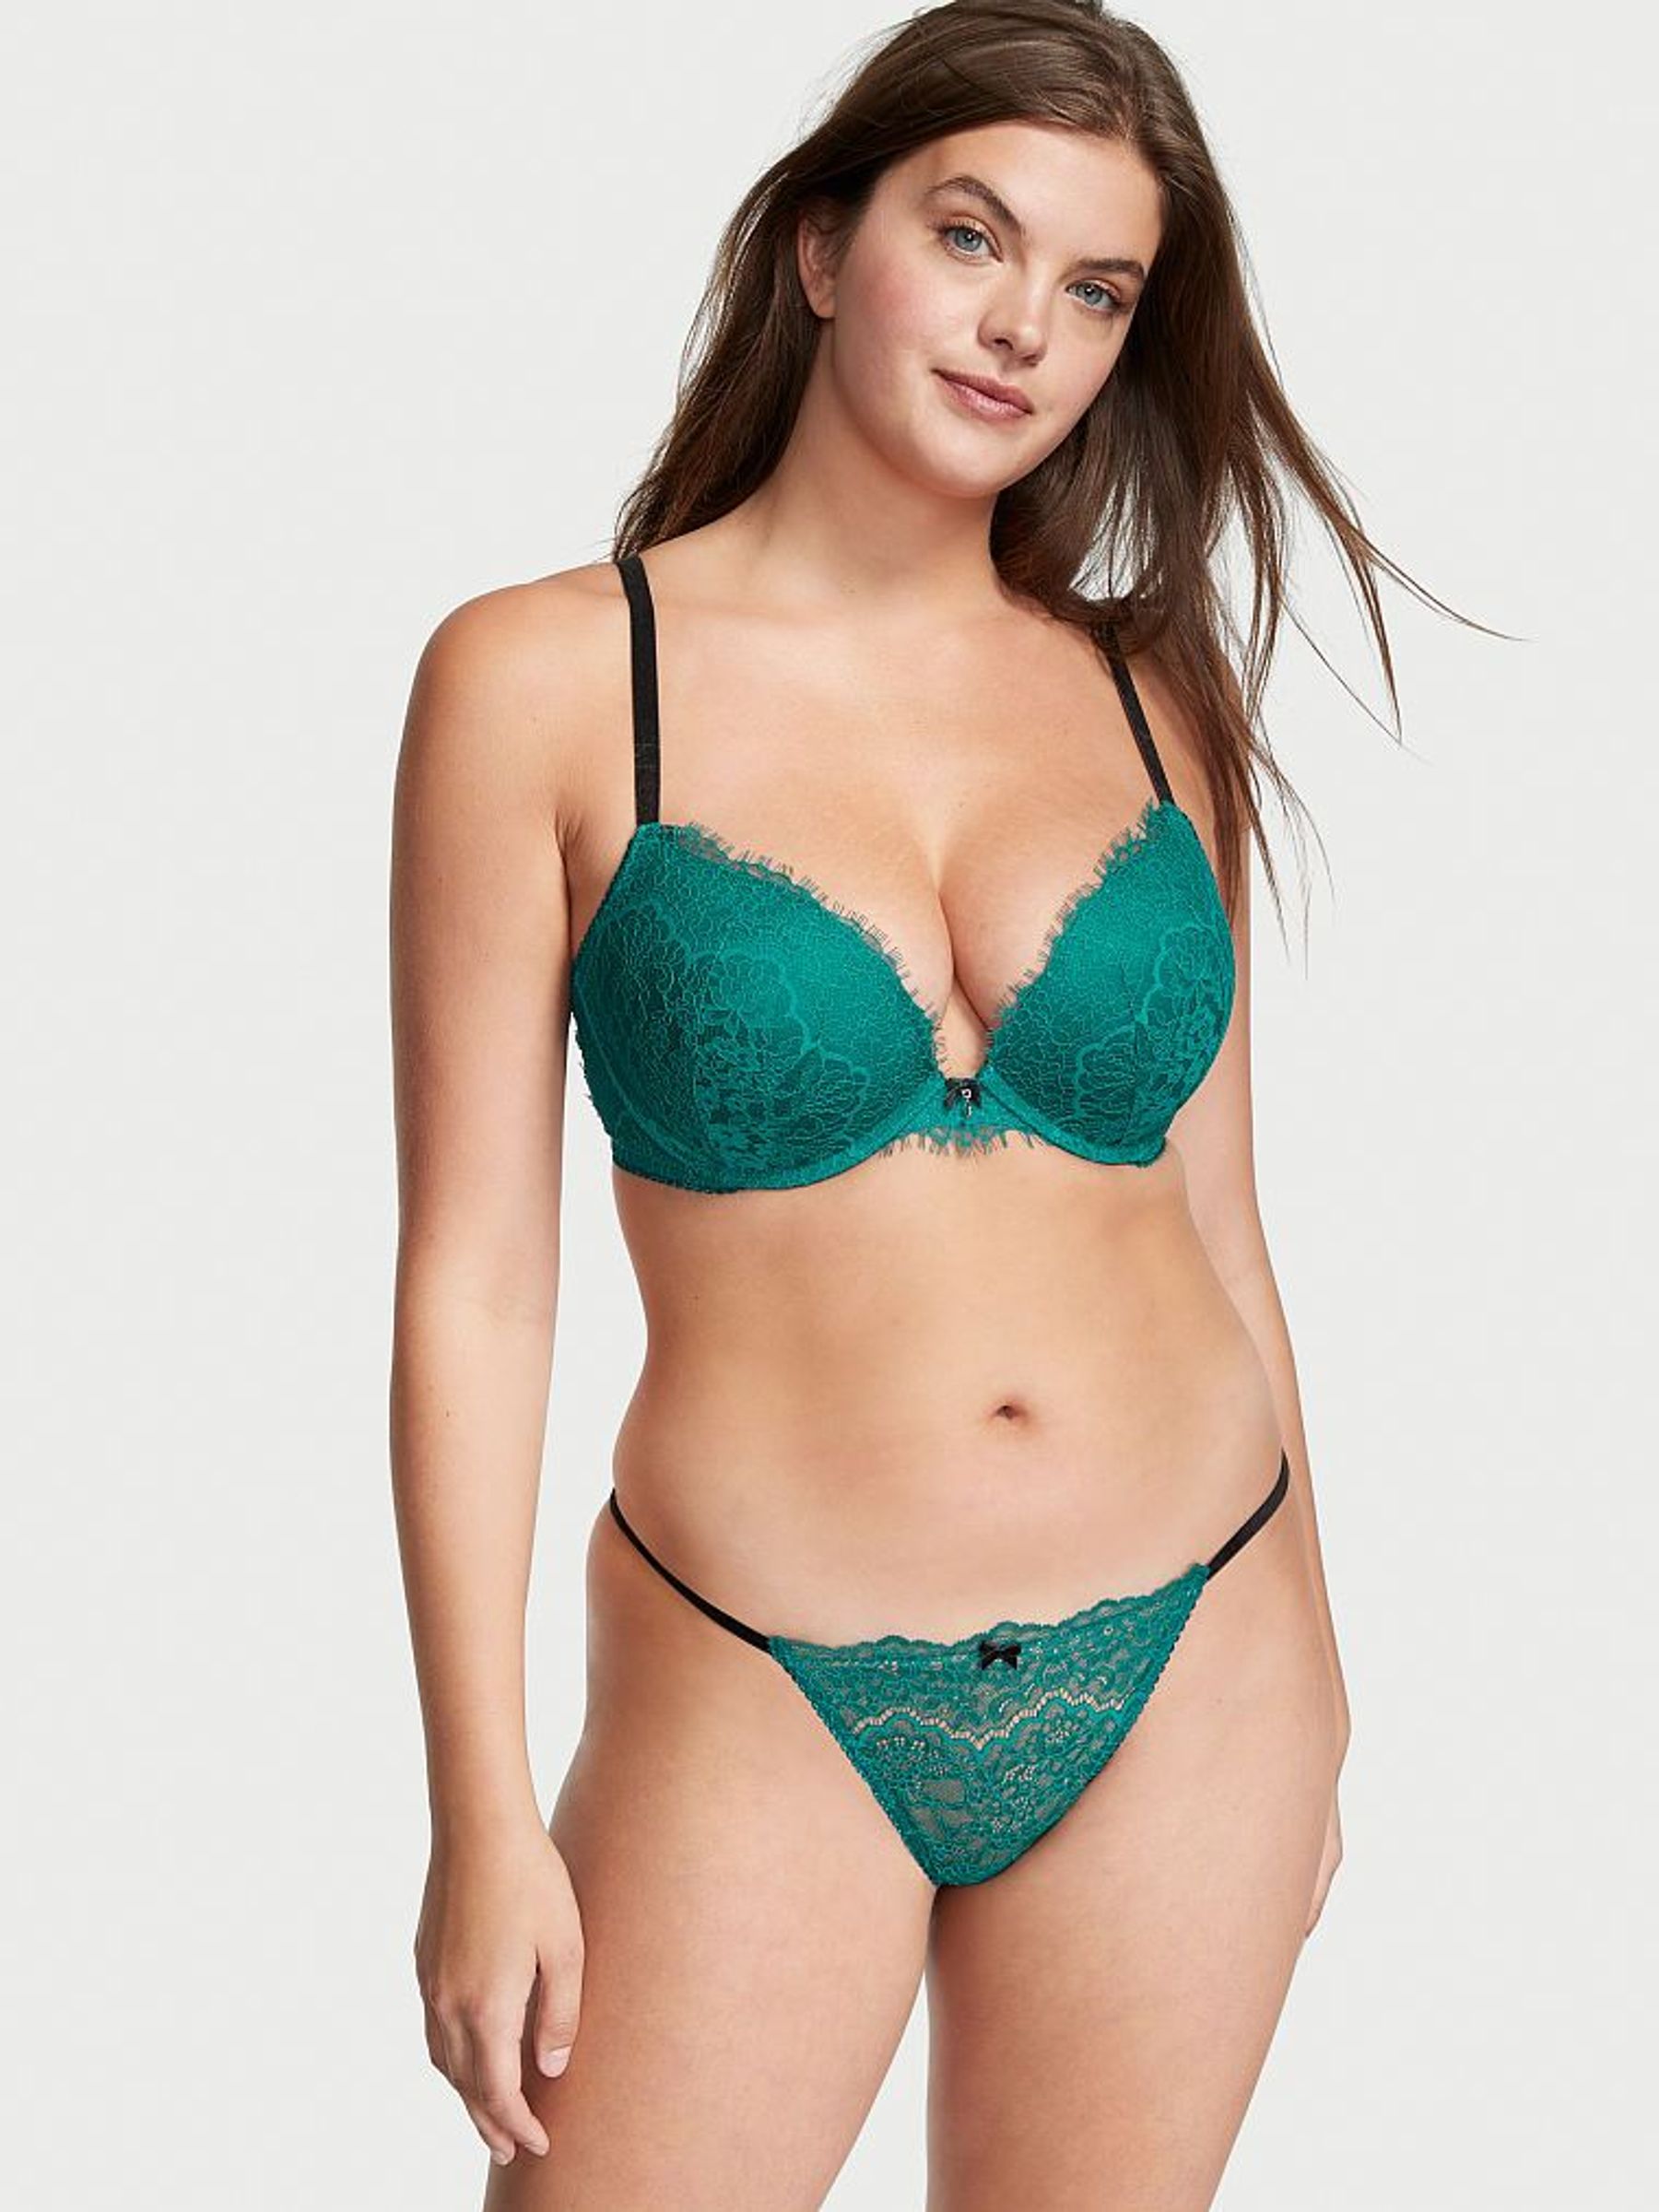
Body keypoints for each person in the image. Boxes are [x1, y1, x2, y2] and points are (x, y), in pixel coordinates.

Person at [389, 4, 1459, 2202]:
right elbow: (476, 1285)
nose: (1023, 328)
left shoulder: (1150, 696)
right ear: (819, 246)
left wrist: (1319, 1661)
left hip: (1201, 1645)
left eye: (1098, 288)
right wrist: (480, 1811)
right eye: (972, 236)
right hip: (755, 1667)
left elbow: (1224, 1223)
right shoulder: (550, 680)